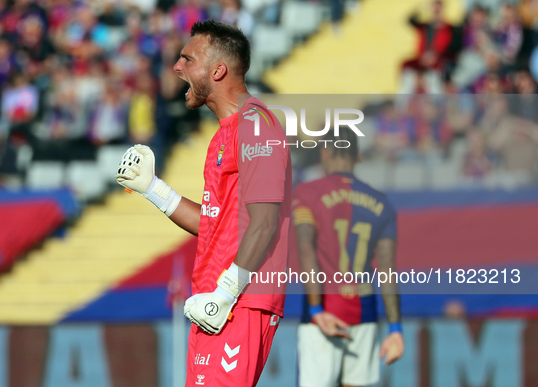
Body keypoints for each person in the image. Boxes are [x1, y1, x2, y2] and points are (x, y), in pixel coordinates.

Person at [115, 20, 291, 387]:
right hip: (215, 300)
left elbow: (265, 223)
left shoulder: (257, 125)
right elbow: (214, 223)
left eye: (187, 59)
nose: (177, 68)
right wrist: (152, 189)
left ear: (218, 70)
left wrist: (225, 294)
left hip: (239, 300)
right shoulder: (223, 136)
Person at [293, 128, 404, 387]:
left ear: (325, 152)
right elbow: (387, 272)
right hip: (365, 312)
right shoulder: (382, 203)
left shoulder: (307, 193)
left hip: (324, 312)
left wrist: (316, 309)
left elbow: (306, 249)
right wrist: (395, 330)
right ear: (358, 156)